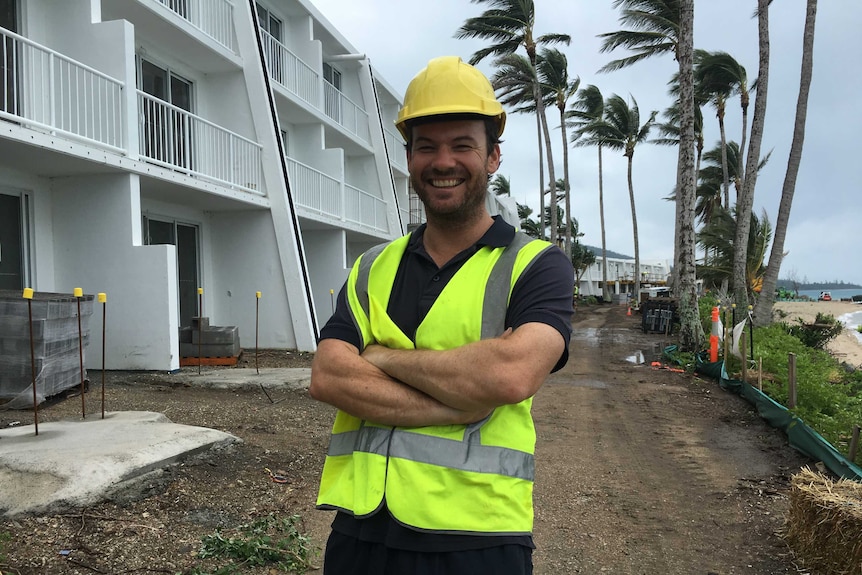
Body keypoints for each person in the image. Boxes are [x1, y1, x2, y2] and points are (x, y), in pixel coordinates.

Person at [308, 55, 575, 575]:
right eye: (426, 147)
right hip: (360, 533)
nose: (443, 161)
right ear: (409, 159)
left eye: (462, 146)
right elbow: (328, 375)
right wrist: (457, 405)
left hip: (477, 541)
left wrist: (382, 357)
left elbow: (511, 372)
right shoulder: (371, 267)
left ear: (493, 156)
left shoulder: (536, 265)